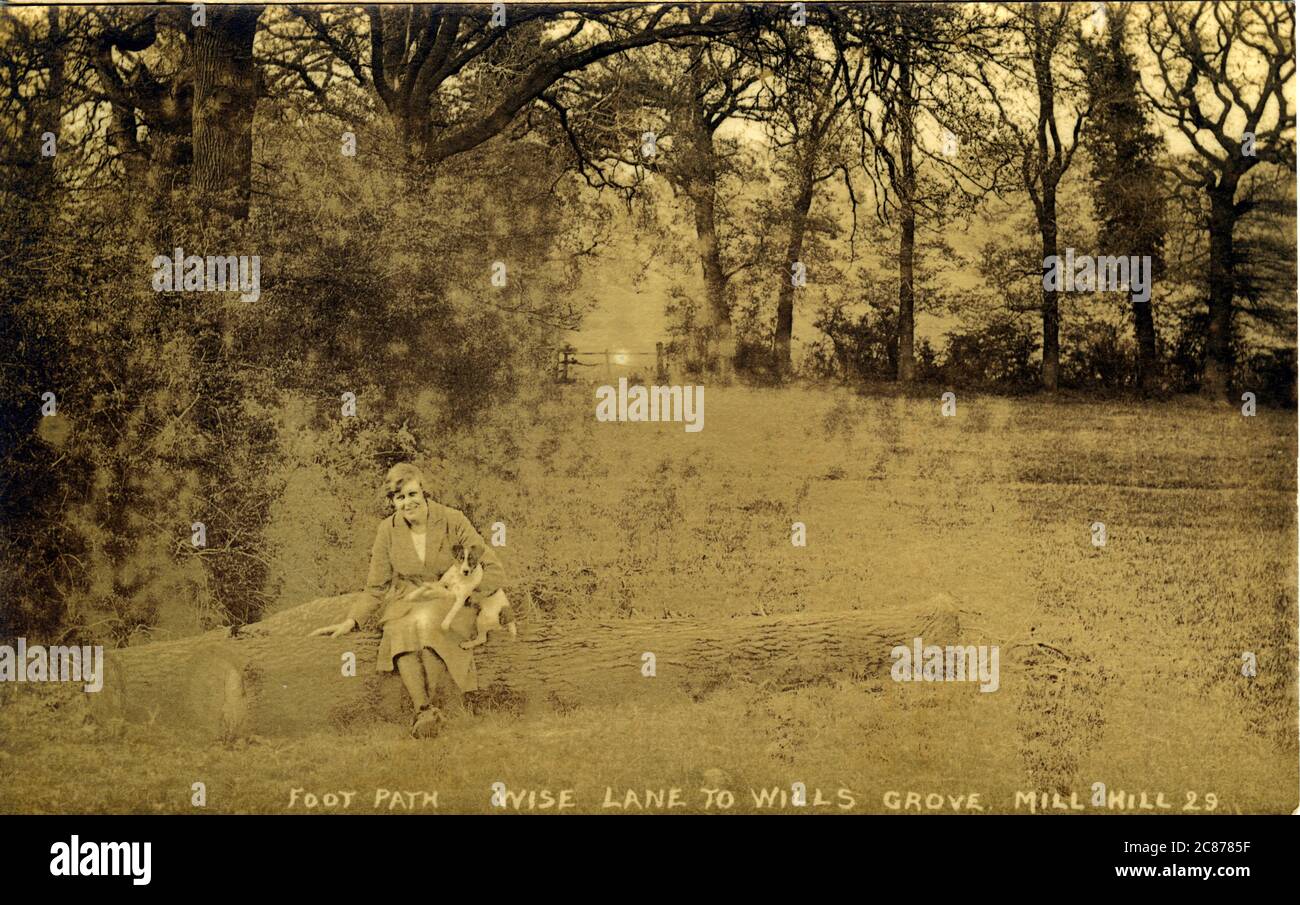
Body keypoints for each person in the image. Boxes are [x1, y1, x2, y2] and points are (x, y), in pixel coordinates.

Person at [310, 462, 508, 737]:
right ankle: (424, 711)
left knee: (428, 623)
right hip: (408, 600)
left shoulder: (452, 519)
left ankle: (439, 706)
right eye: (399, 497)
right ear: (392, 502)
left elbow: (495, 571)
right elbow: (376, 587)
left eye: (412, 494)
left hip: (451, 600)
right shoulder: (387, 530)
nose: (407, 503)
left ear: (424, 492)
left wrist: (458, 593)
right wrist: (351, 620)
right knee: (401, 626)